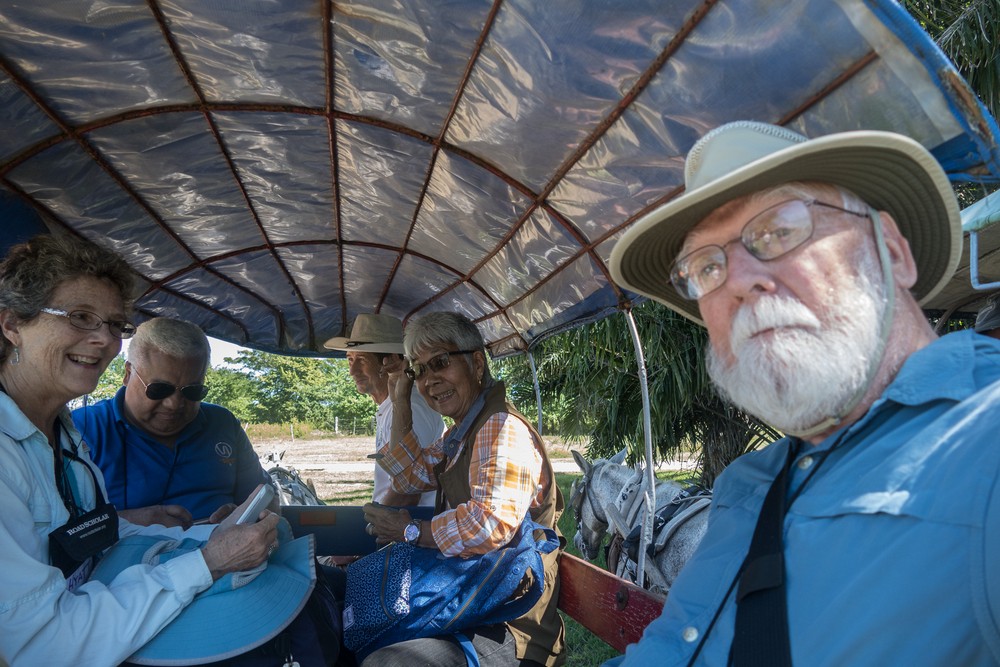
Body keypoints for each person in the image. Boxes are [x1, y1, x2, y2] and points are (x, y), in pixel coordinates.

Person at [605, 120, 1000, 665]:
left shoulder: (983, 434)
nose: (737, 280)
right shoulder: (748, 483)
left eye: (779, 230)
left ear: (891, 251)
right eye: (706, 266)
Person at [0, 234, 281, 665]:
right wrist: (208, 562)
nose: (103, 340)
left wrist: (215, 536)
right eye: (80, 317)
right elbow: (41, 646)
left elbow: (92, 537)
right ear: (12, 325)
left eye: (115, 325)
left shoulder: (65, 434)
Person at [362, 311, 565, 667]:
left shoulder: (500, 427)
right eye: (419, 370)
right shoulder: (460, 434)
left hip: (511, 621)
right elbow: (408, 477)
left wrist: (412, 531)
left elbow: (490, 525)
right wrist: (400, 399)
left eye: (440, 362)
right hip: (469, 596)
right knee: (362, 620)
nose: (430, 380)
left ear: (476, 363)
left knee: (388, 662)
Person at [72, 317, 274, 529]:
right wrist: (125, 522)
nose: (174, 404)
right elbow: (60, 530)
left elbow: (268, 503)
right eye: (160, 389)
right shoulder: (82, 429)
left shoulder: (223, 424)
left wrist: (247, 515)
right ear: (128, 374)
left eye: (192, 391)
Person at [323, 313, 444, 506]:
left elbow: (408, 493)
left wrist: (376, 520)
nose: (352, 371)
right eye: (350, 360)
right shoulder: (391, 406)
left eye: (362, 360)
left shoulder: (411, 407)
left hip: (412, 522)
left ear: (392, 361)